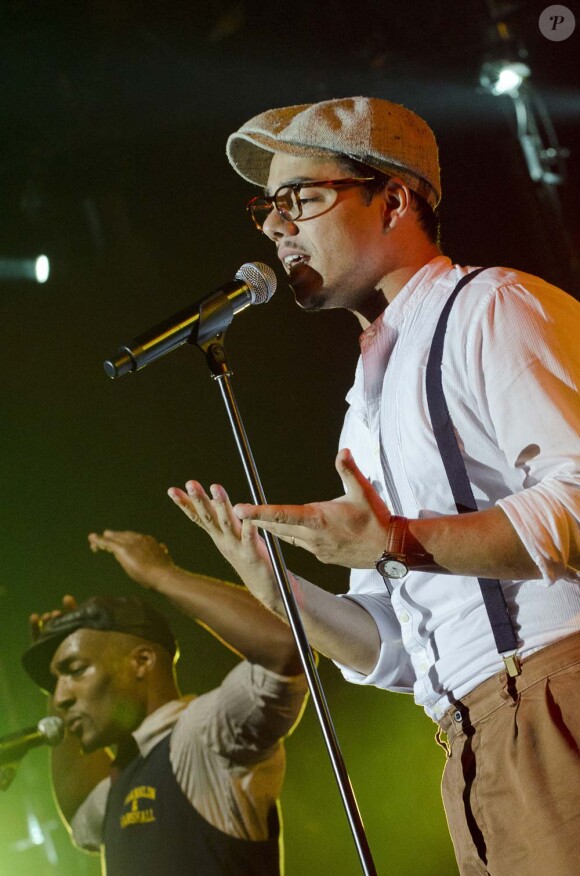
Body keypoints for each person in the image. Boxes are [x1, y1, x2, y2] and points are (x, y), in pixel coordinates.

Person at [166, 96, 580, 876]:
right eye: (267, 210)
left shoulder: (491, 307)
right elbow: (392, 648)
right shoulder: (364, 410)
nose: (276, 228)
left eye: (302, 199)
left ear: (394, 199)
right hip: (467, 742)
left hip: (557, 694)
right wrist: (277, 587)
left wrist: (398, 540)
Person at [21, 530, 307, 876]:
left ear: (141, 661)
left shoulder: (202, 736)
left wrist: (161, 574)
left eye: (75, 670)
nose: (62, 697)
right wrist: (55, 666)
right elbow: (81, 811)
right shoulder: (125, 775)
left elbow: (286, 650)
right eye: (56, 683)